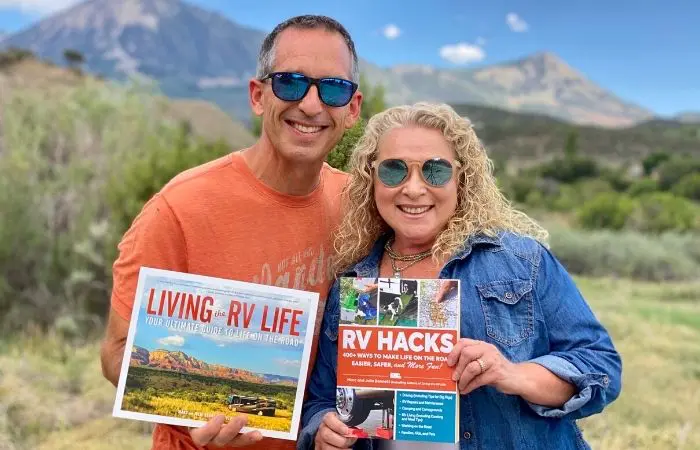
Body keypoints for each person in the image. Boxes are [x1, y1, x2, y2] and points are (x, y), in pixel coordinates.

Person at [99, 15, 363, 450]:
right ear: (258, 96)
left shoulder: (359, 207)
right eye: (291, 83)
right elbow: (116, 353)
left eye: (332, 88)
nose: (312, 106)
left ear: (352, 108)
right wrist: (192, 418)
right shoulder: (179, 207)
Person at [298, 103, 622, 450]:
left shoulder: (521, 262)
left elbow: (600, 367)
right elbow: (320, 399)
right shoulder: (353, 283)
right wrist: (323, 429)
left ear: (461, 177)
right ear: (371, 178)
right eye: (394, 170)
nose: (413, 188)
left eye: (435, 171)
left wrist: (512, 374)